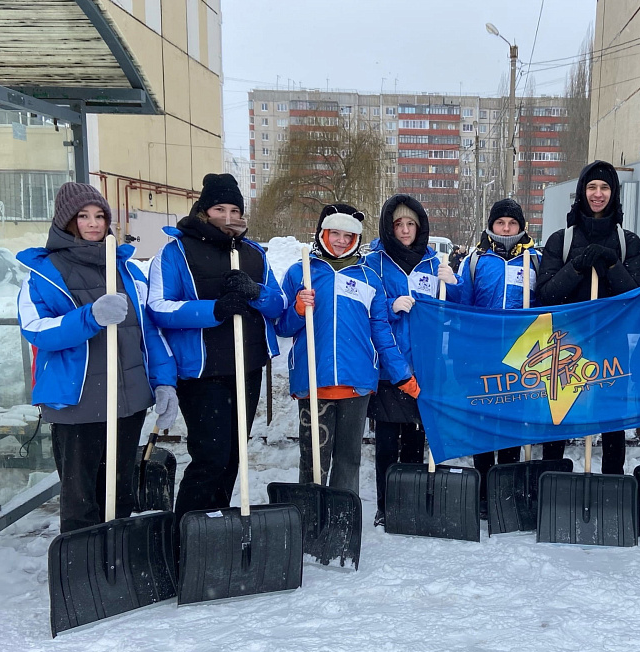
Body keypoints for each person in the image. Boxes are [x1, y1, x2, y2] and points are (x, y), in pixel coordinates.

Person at [17, 182, 177, 534]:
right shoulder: (45, 274)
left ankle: (115, 568)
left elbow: (148, 333)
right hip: (78, 404)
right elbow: (36, 330)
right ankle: (83, 573)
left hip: (128, 401)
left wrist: (164, 382)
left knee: (118, 492)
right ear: (66, 221)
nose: (93, 223)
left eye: (100, 216)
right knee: (80, 499)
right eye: (83, 216)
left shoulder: (127, 272)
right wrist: (89, 318)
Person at [147, 173, 286, 524]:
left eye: (234, 209)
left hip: (247, 366)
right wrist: (215, 309)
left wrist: (257, 294)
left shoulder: (253, 254)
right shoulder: (177, 251)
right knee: (211, 455)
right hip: (202, 371)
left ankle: (216, 527)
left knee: (235, 455)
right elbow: (158, 308)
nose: (227, 216)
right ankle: (187, 532)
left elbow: (279, 304)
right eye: (219, 208)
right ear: (204, 210)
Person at [277, 204, 415, 496]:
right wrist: (299, 309)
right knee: (314, 461)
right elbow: (282, 327)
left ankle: (343, 522)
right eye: (335, 233)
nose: (341, 240)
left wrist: (401, 374)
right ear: (322, 234)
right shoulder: (300, 272)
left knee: (348, 460)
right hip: (315, 381)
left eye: (348, 235)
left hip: (357, 383)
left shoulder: (368, 278)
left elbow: (381, 331)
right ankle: (310, 522)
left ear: (356, 239)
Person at [535, 160, 640, 474]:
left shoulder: (629, 243)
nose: (598, 194)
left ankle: (612, 484)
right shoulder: (561, 240)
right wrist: (577, 266)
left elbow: (636, 298)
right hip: (566, 346)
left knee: (612, 421)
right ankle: (553, 480)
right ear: (582, 192)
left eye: (605, 187)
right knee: (559, 418)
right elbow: (547, 294)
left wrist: (613, 265)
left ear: (614, 193)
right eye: (592, 186)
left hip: (611, 347)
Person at [362, 194, 459, 526]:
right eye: (398, 224)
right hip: (389, 363)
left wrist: (453, 285)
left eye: (410, 224)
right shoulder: (374, 261)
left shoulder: (433, 263)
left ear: (420, 227)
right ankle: (386, 504)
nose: (404, 230)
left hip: (424, 362)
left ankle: (411, 499)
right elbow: (367, 308)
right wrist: (391, 306)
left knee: (417, 434)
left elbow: (452, 312)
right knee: (388, 436)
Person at [456, 198, 541, 516]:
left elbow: (543, 308)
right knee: (482, 422)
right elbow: (462, 307)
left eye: (512, 223)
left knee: (512, 422)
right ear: (491, 226)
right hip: (483, 353)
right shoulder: (477, 261)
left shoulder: (534, 261)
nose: (506, 228)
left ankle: (506, 491)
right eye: (500, 223)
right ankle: (482, 492)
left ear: (521, 228)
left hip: (521, 357)